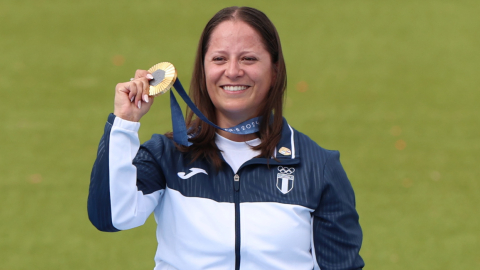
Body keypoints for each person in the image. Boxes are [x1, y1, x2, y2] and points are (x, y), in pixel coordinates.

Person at [88, 6, 364, 270]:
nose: (232, 71)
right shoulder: (168, 155)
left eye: (249, 58)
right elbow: (111, 217)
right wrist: (125, 122)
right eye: (219, 58)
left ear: (275, 70)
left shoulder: (318, 168)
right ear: (203, 69)